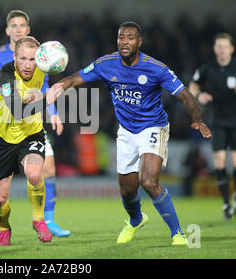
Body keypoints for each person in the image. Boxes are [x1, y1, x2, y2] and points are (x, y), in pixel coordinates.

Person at [58, 21, 211, 245]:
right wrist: (56, 88)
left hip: (153, 127)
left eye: (130, 38)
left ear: (139, 42)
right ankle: (136, 219)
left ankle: (177, 233)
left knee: (148, 181)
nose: (124, 42)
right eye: (121, 37)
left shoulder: (156, 68)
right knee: (127, 190)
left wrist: (197, 120)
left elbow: (185, 95)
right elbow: (74, 79)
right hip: (126, 131)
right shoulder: (106, 64)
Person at [0, 10, 70, 238]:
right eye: (13, 26)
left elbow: (45, 86)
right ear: (8, 31)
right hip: (4, 129)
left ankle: (46, 220)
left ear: (28, 29)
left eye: (22, 25)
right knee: (0, 194)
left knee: (44, 170)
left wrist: (52, 112)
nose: (18, 29)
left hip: (32, 129)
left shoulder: (41, 60)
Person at [0, 36, 63, 245]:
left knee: (34, 173)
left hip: (31, 134)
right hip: (3, 139)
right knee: (0, 199)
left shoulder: (43, 67)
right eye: (23, 59)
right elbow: (18, 111)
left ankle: (38, 219)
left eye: (32, 59)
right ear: (14, 57)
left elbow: (60, 73)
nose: (28, 65)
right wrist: (46, 99)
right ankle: (4, 227)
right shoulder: (5, 76)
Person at [189, 33, 236, 220]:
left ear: (231, 49)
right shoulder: (208, 67)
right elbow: (193, 85)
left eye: (225, 46)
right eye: (219, 46)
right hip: (218, 120)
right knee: (220, 162)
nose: (222, 49)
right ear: (215, 49)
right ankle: (226, 205)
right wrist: (199, 96)